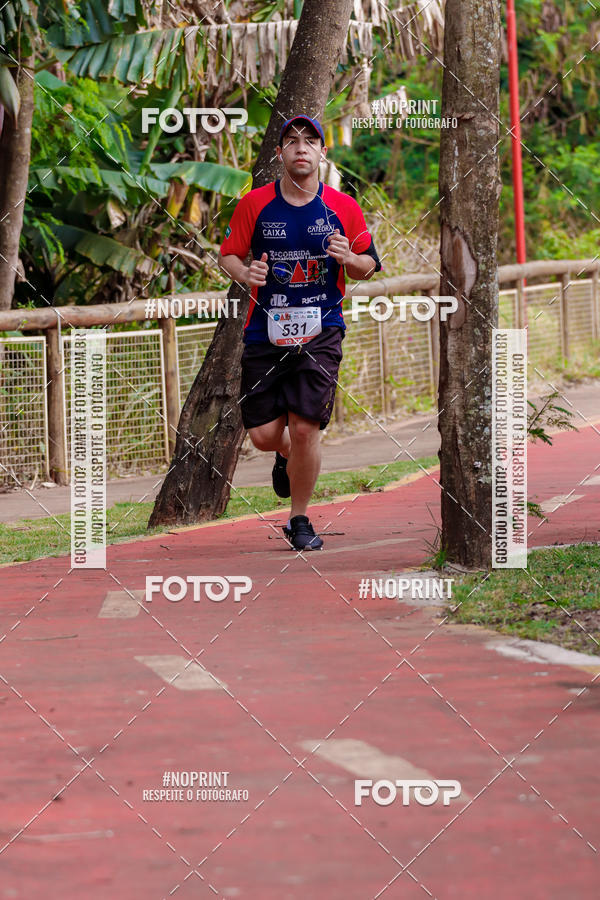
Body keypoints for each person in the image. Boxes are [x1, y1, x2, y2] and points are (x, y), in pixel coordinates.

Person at [218, 114, 381, 550]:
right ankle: (286, 456)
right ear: (280, 154)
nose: (301, 148)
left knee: (307, 427)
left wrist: (349, 259)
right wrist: (245, 273)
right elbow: (228, 255)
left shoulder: (343, 207)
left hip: (322, 329)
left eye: (310, 141)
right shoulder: (254, 204)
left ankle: (300, 519)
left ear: (322, 152)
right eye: (292, 141)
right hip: (265, 330)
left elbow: (369, 265)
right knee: (263, 436)